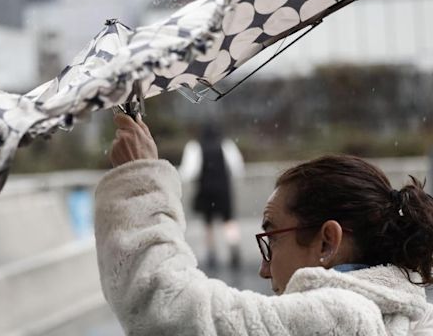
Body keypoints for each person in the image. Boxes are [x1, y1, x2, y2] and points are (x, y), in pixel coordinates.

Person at [94, 113, 433, 335]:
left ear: (327, 241)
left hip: (208, 195)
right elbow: (235, 167)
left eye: (271, 238)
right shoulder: (415, 318)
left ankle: (216, 248)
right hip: (224, 191)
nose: (264, 270)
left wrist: (141, 179)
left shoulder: (338, 318)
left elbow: (166, 307)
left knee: (214, 225)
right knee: (224, 223)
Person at [179, 123, 244, 269]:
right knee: (229, 220)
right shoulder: (226, 145)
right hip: (223, 189)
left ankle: (212, 253)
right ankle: (234, 249)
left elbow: (189, 171)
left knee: (208, 223)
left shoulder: (195, 146)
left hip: (205, 189)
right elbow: (237, 167)